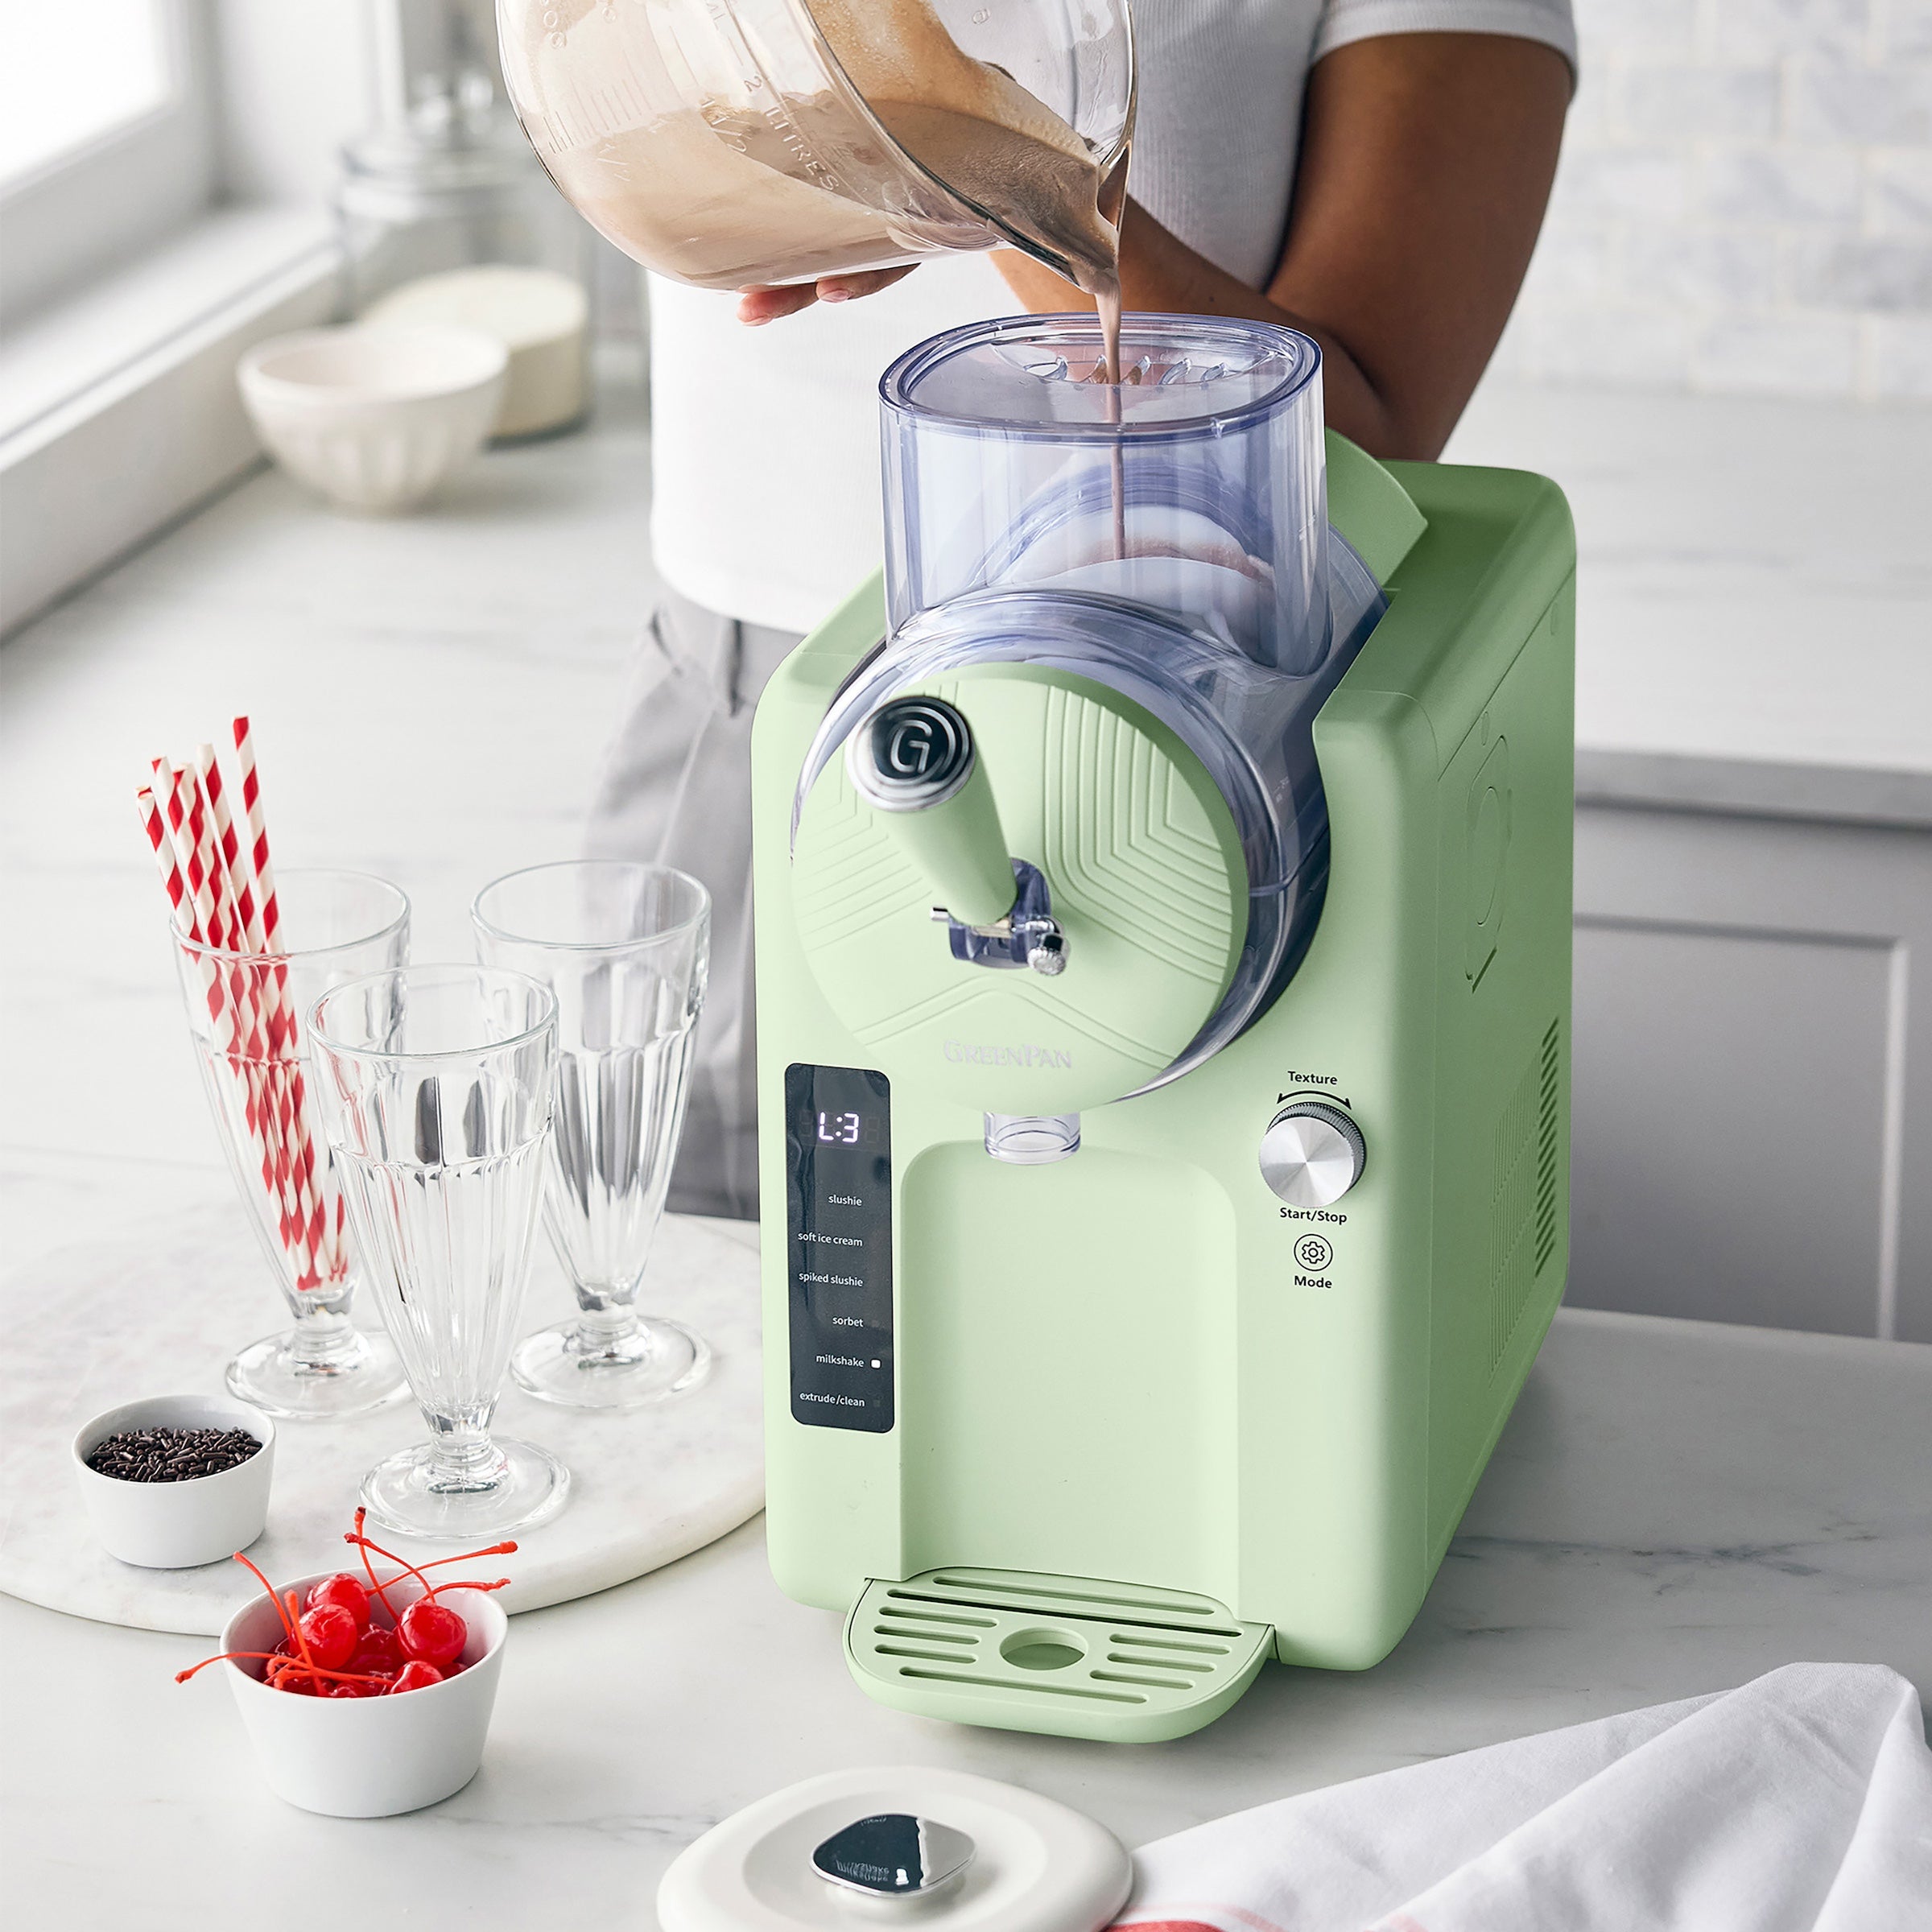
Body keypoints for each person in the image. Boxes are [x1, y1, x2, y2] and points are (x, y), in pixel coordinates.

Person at [589, 2, 1576, 1220]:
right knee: (685, 1272)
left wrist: (970, 149)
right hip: (754, 707)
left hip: (1215, 753)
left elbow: (1362, 434)